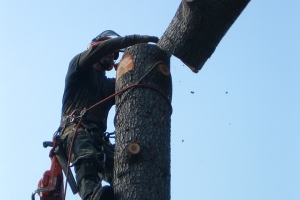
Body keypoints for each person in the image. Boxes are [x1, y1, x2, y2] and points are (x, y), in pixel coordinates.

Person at [59, 30, 159, 200]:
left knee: (125, 168)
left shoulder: (110, 85)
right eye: (109, 53)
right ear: (95, 49)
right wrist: (134, 40)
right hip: (75, 130)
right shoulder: (79, 67)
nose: (112, 57)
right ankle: (91, 195)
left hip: (101, 140)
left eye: (114, 57)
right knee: (86, 156)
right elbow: (106, 47)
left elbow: (135, 82)